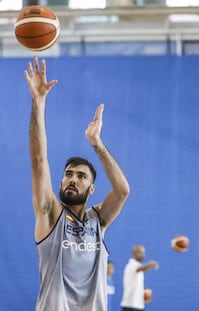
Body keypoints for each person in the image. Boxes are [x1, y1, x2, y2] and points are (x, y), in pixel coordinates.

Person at [24, 56, 130, 311]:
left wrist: (97, 144)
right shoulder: (50, 215)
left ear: (92, 189)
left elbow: (122, 190)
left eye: (81, 177)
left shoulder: (98, 221)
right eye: (69, 174)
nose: (73, 179)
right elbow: (39, 160)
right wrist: (38, 102)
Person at [121, 245, 159, 311]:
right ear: (134, 253)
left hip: (139, 306)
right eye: (140, 252)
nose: (143, 255)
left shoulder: (137, 265)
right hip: (130, 305)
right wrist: (150, 264)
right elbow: (140, 269)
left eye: (143, 253)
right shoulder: (131, 264)